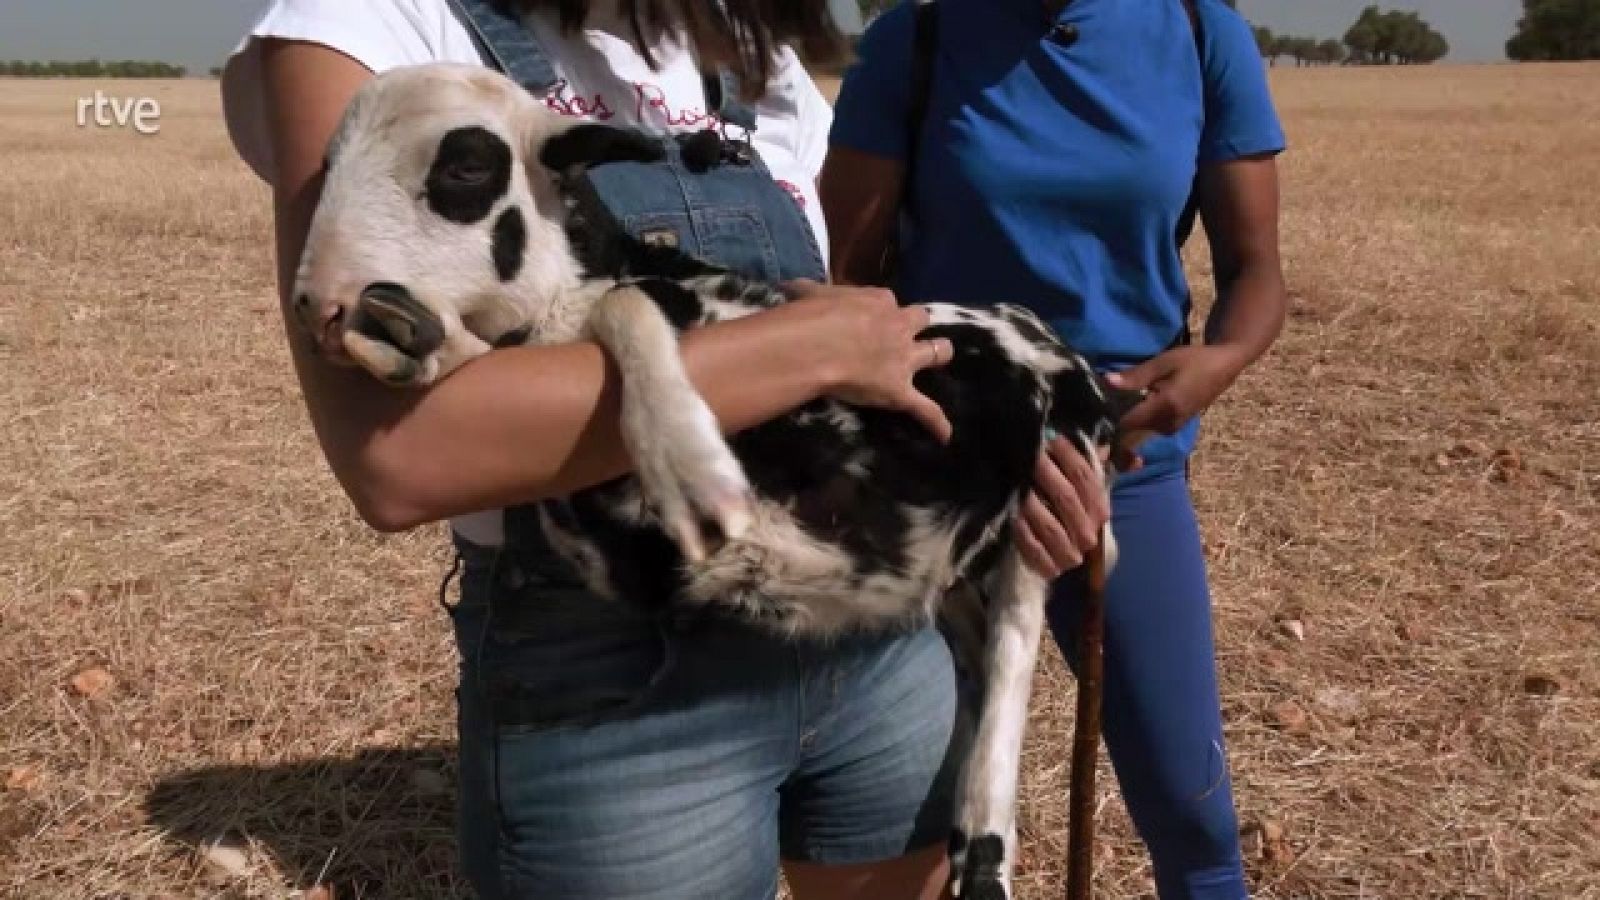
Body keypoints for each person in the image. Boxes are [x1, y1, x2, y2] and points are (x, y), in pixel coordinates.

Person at [221, 1, 966, 897]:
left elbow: (855, 327)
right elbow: (402, 460)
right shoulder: (367, 24)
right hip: (619, 689)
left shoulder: (751, 56)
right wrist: (808, 351)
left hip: (878, 642)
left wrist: (992, 439)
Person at [822, 0, 1288, 897]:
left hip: (1122, 469)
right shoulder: (917, 38)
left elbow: (1257, 269)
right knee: (924, 833)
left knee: (1192, 817)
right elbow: (847, 275)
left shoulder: (1200, 33)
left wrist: (1218, 362)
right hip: (942, 473)